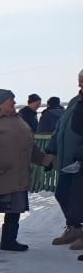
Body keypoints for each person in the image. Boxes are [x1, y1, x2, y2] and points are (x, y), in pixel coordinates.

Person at [0, 89, 51, 256]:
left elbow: (30, 146)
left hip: (18, 174)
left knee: (14, 210)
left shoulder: (19, 120)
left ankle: (9, 241)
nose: (14, 102)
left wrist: (44, 160)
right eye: (11, 100)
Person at [46, 75, 83, 248]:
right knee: (62, 193)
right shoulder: (76, 101)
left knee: (78, 197)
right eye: (80, 79)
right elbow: (60, 126)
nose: (80, 83)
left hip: (80, 159)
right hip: (67, 161)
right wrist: (51, 149)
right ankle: (74, 228)